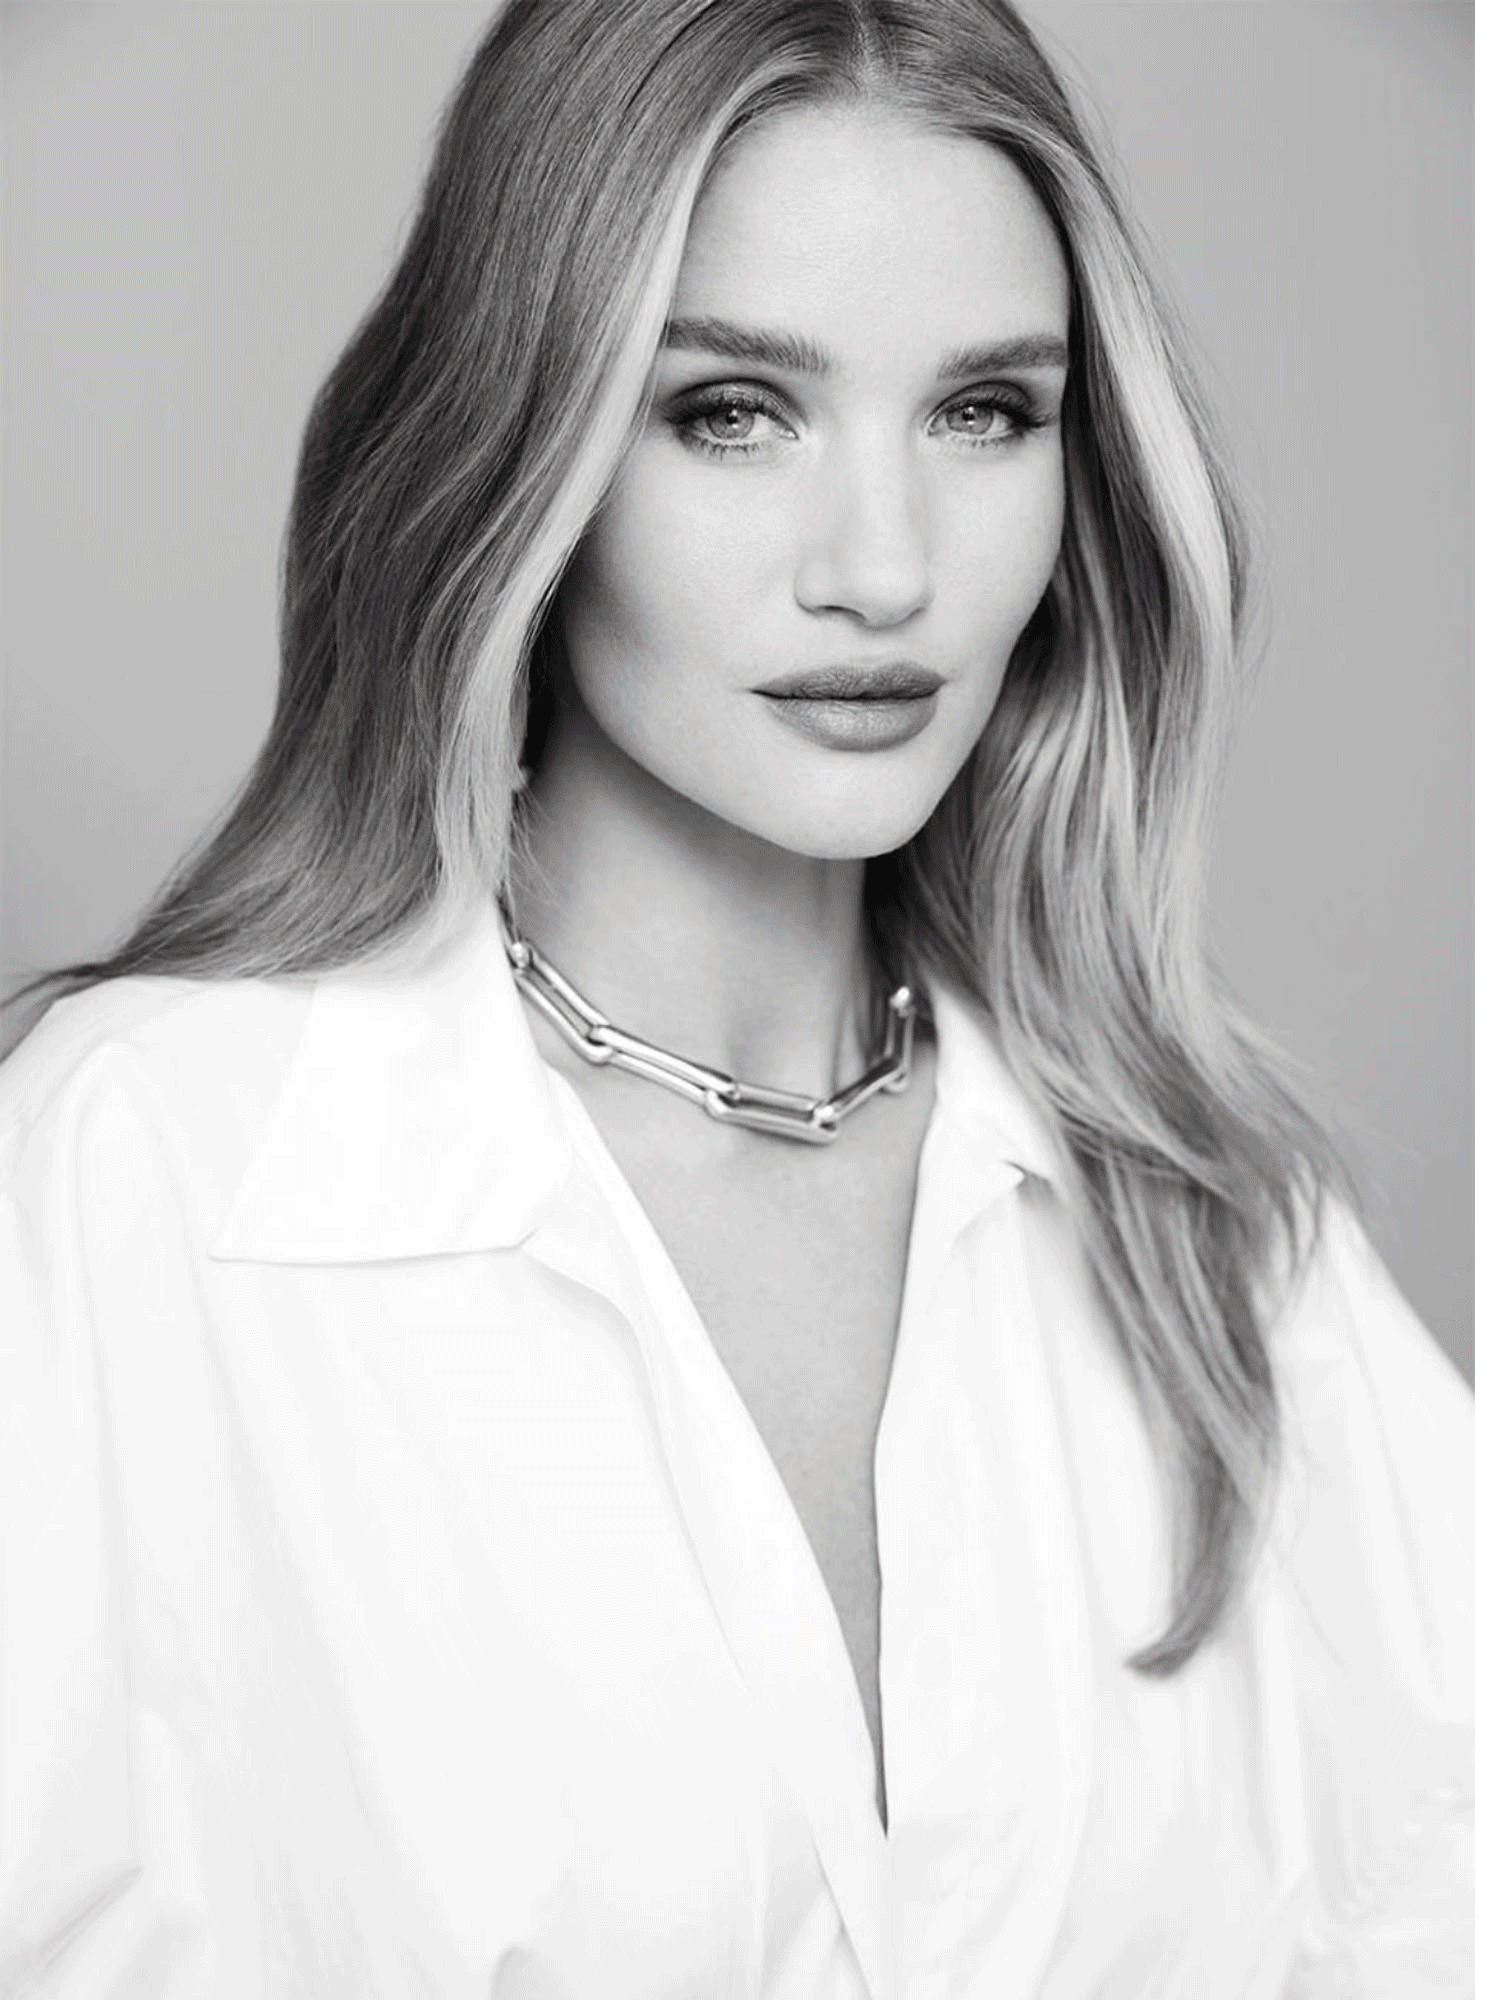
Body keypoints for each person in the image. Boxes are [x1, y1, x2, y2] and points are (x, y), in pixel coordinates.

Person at [0, 0, 1470, 1994]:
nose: (884, 568)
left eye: (987, 412)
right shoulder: (150, 1178)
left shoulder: (1220, 1243)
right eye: (731, 410)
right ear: (523, 446)